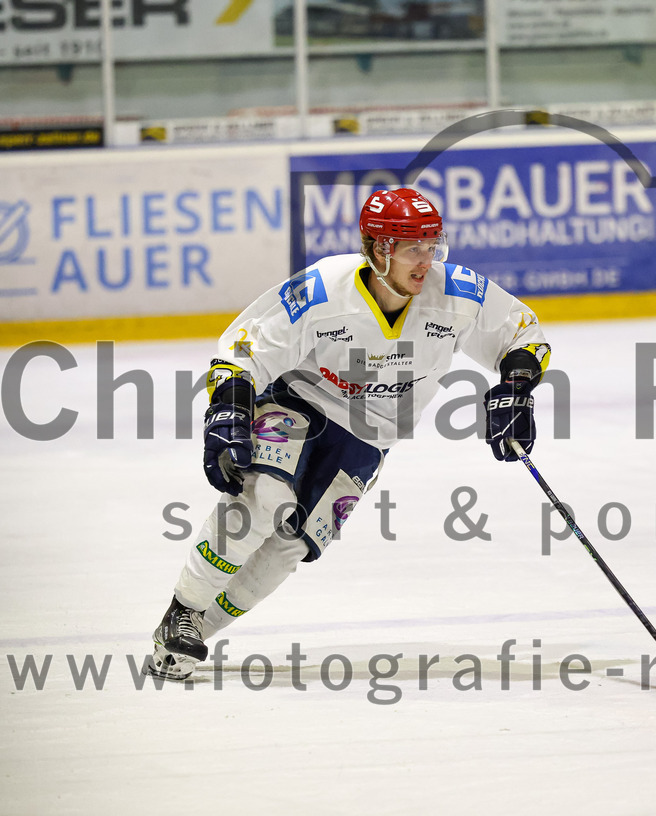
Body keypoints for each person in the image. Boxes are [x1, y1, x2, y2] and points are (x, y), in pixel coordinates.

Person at [148, 187, 551, 680]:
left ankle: (193, 631)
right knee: (264, 500)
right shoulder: (323, 288)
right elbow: (245, 344)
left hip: (373, 435)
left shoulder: (458, 293)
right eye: (412, 249)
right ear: (378, 249)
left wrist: (515, 387)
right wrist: (229, 409)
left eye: (433, 246)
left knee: (291, 545)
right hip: (300, 401)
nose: (427, 261)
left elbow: (523, 332)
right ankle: (183, 607)